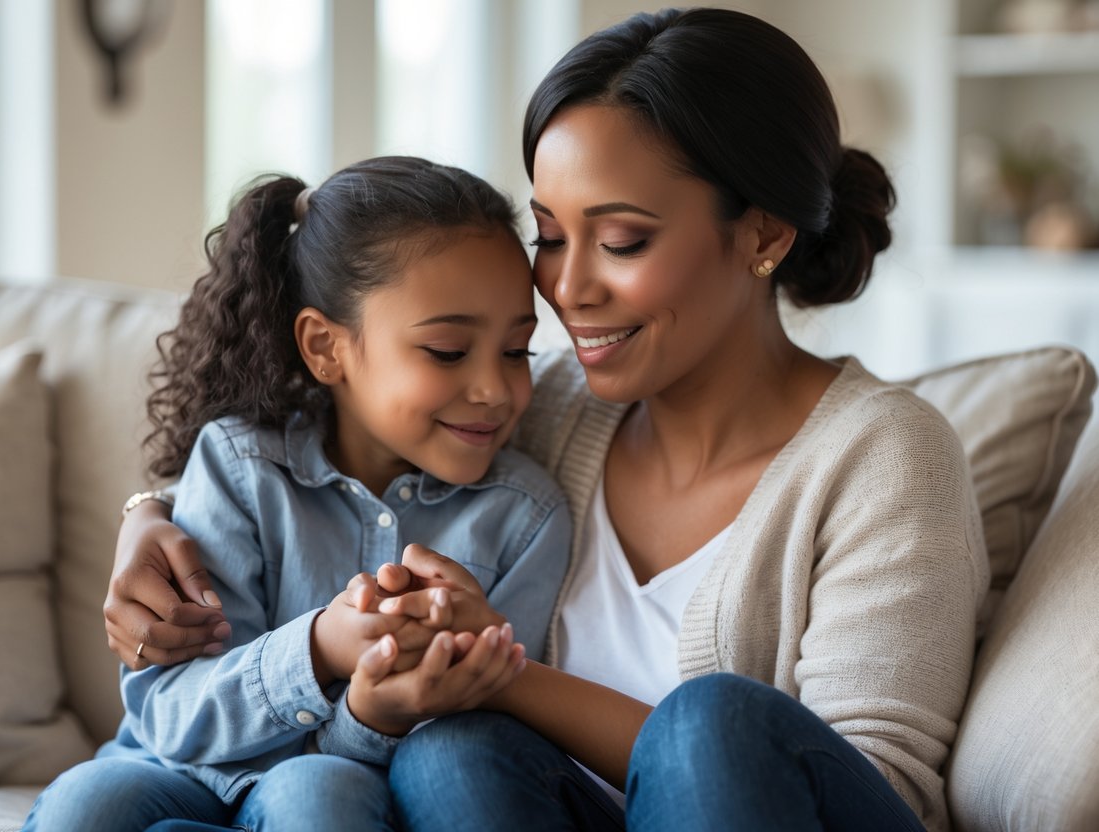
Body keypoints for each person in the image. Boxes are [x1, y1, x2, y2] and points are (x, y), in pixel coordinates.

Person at [105, 8, 989, 831]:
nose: (566, 290)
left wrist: (508, 676)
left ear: (762, 235)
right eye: (551, 237)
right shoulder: (543, 405)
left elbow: (881, 786)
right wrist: (148, 514)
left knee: (704, 723)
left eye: (621, 241)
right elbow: (342, 421)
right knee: (452, 753)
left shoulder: (883, 455)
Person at [23, 157, 572, 831]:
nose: (495, 388)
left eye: (517, 352)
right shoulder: (240, 464)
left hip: (346, 784)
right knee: (89, 801)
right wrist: (316, 647)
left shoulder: (523, 516)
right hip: (175, 773)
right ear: (324, 347)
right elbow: (168, 713)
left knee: (315, 793)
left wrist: (369, 714)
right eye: (449, 351)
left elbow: (466, 747)